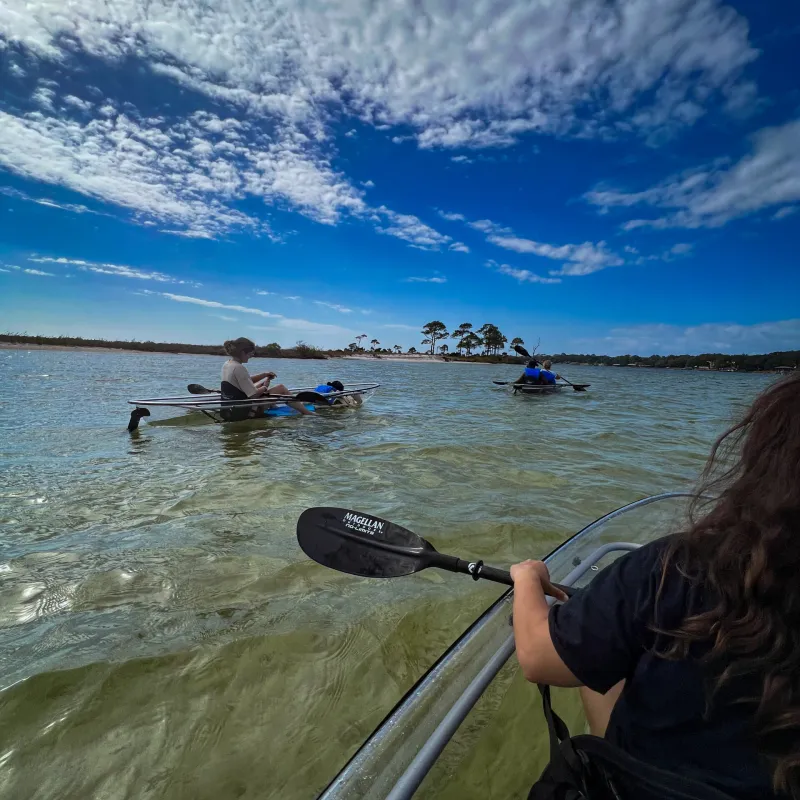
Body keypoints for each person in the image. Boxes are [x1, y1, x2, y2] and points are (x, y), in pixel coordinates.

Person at [510, 372, 800, 799]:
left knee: (604, 658)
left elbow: (538, 657)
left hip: (643, 789)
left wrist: (526, 578)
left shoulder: (676, 566)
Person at [221, 338, 313, 416]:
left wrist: (264, 375)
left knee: (259, 386)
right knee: (281, 388)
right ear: (242, 352)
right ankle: (307, 413)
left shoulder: (228, 364)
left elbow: (244, 381)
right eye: (250, 354)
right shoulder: (239, 367)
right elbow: (253, 395)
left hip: (231, 408)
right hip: (245, 411)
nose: (251, 356)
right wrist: (265, 386)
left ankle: (274, 405)